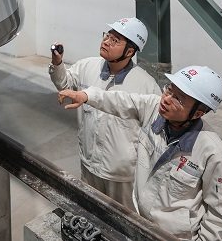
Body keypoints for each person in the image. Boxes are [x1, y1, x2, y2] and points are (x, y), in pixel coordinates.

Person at [57, 65, 222, 241]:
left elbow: (220, 215)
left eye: (178, 99)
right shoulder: (153, 109)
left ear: (197, 113)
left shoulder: (213, 152)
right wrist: (87, 95)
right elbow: (122, 100)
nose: (166, 99)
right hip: (137, 222)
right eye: (169, 90)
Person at [48, 17, 161, 208]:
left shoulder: (146, 85)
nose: (106, 42)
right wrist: (58, 64)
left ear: (130, 51)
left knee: (123, 219)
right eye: (107, 36)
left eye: (115, 40)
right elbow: (64, 84)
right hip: (89, 163)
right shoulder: (87, 66)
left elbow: (155, 133)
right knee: (89, 210)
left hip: (122, 175)